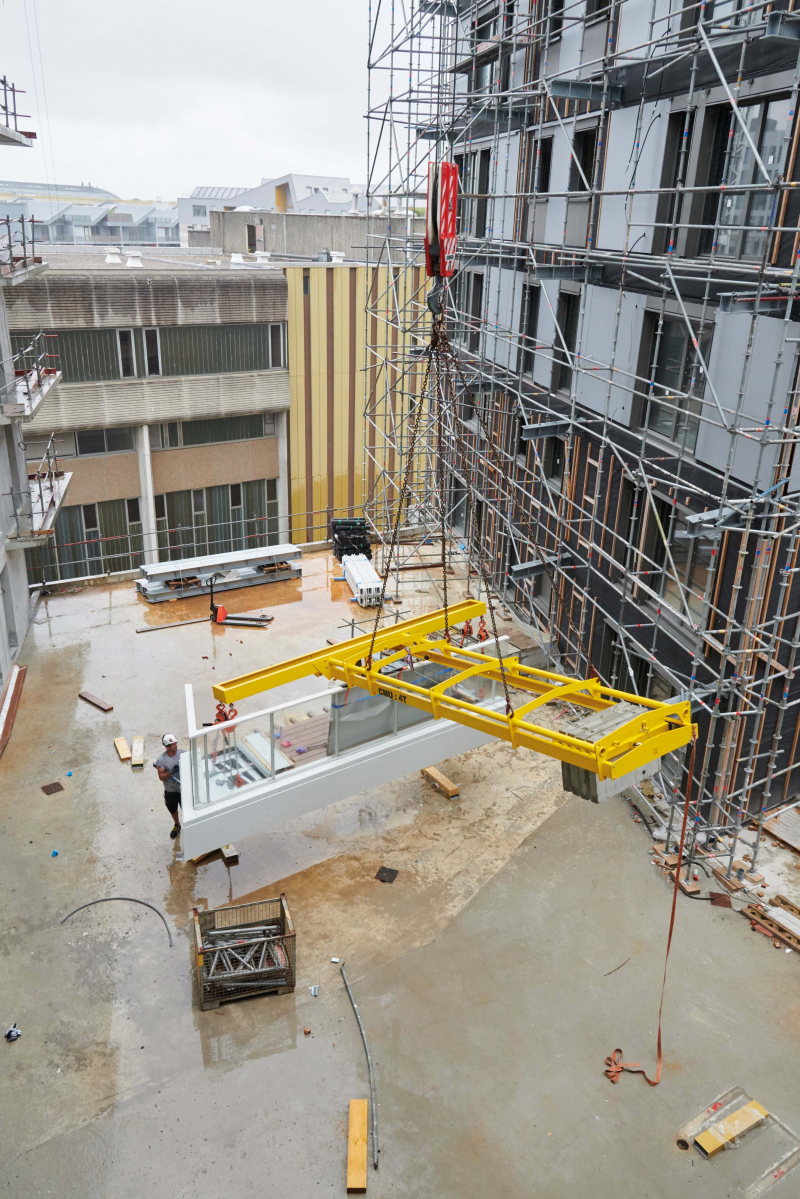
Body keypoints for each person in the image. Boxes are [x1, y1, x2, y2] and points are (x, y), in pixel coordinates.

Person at [154, 733, 182, 838]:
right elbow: (161, 777)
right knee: (172, 808)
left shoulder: (182, 754)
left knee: (187, 808)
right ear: (167, 747)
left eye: (175, 743)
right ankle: (177, 825)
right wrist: (171, 772)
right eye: (173, 744)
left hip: (183, 789)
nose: (175, 745)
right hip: (170, 790)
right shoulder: (161, 760)